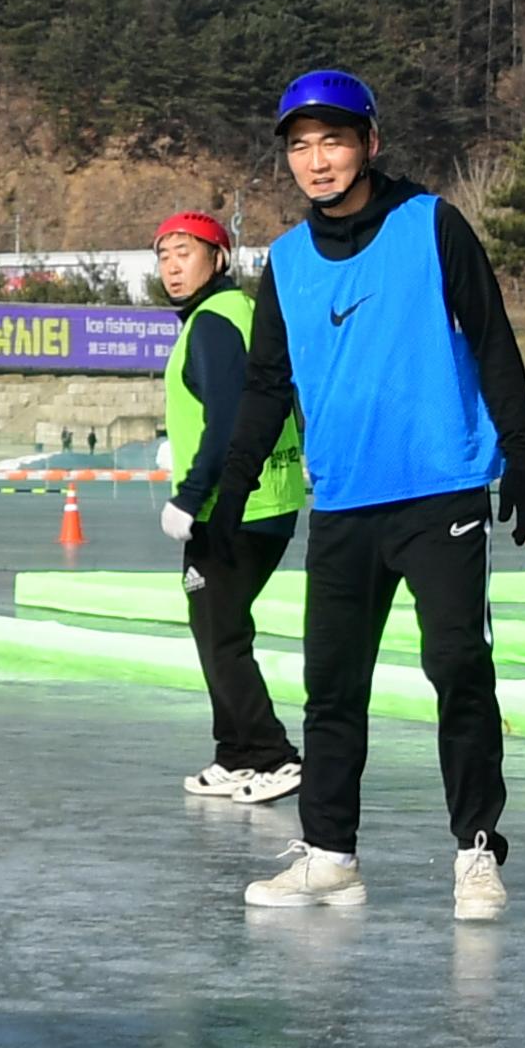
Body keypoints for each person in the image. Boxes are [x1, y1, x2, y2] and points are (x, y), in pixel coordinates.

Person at [202, 72, 525, 922]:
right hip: (346, 501)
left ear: (370, 143)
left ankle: (476, 852)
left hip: (443, 490)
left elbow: (496, 344)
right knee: (332, 685)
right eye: (300, 146)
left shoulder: (431, 226)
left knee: (458, 669)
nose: (317, 161)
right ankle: (329, 854)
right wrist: (229, 494)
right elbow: (266, 386)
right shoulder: (283, 262)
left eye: (334, 141)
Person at [152, 213, 304, 803]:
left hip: (234, 505)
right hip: (264, 498)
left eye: (186, 252)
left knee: (221, 633)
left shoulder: (215, 323)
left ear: (218, 259)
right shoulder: (235, 313)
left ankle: (272, 755)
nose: (172, 265)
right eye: (164, 254)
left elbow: (228, 419)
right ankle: (236, 752)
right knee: (215, 626)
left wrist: (190, 496)